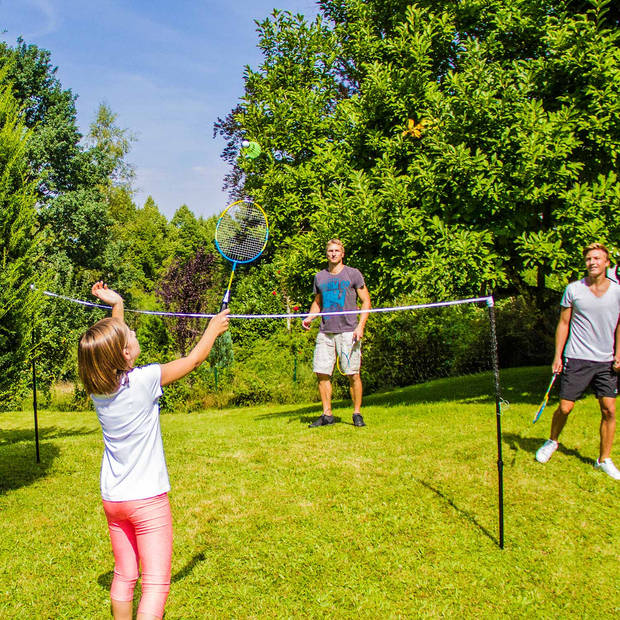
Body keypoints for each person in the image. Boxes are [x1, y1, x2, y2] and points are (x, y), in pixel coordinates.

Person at [78, 282, 229, 620]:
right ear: (124, 354)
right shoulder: (144, 381)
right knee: (156, 583)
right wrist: (212, 329)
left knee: (125, 574)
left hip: (114, 499)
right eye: (129, 332)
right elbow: (194, 359)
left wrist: (117, 302)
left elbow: (114, 347)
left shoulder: (98, 390)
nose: (132, 331)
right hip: (147, 499)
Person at [535, 243, 620, 480]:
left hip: (606, 361)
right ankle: (552, 441)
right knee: (565, 407)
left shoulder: (617, 291)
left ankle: (604, 459)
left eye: (597, 258)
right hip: (577, 357)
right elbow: (563, 324)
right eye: (589, 259)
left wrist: (619, 353)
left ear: (606, 263)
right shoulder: (573, 290)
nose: (592, 262)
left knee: (609, 409)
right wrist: (557, 356)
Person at [302, 239, 371, 428]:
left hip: (349, 331)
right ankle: (327, 415)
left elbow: (366, 301)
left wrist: (361, 326)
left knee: (353, 374)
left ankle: (357, 413)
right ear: (327, 254)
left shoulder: (353, 274)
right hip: (326, 332)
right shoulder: (320, 277)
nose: (333, 254)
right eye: (330, 251)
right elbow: (318, 302)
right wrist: (309, 318)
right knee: (322, 373)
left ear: (342, 254)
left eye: (336, 251)